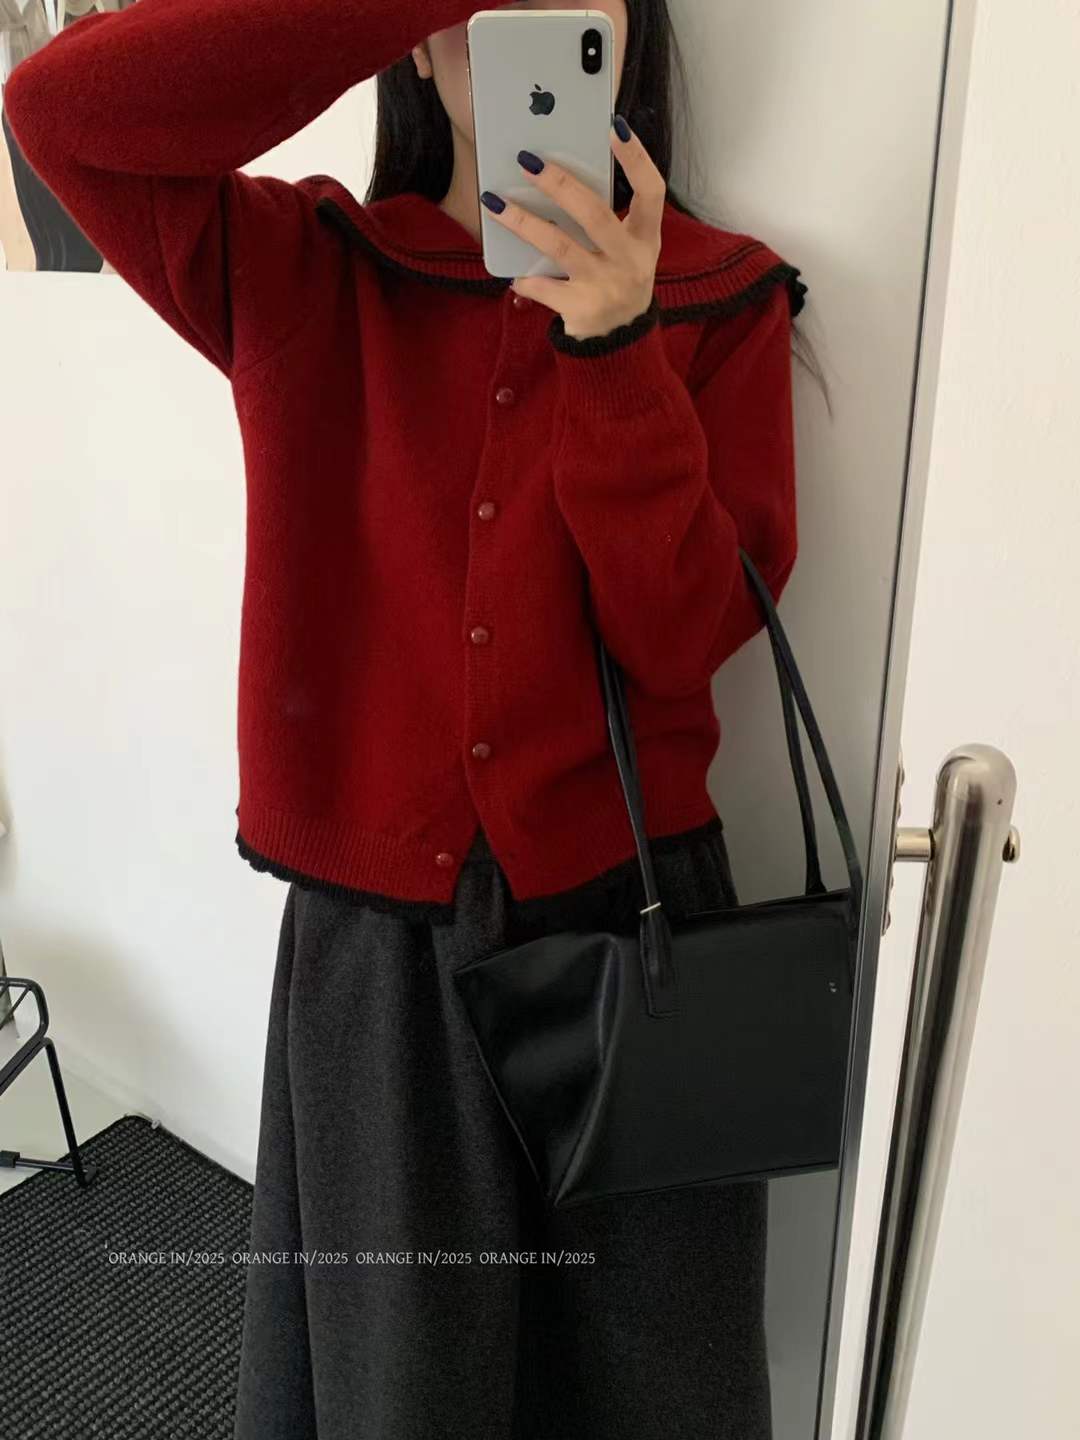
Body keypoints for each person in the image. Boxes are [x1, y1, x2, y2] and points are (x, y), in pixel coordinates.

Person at [4, 2, 809, 1435]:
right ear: (423, 43)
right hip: (379, 962)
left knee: (650, 1386)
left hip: (635, 931)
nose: (535, 20)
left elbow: (685, 636)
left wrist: (617, 346)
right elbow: (62, 113)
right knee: (404, 1390)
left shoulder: (721, 295)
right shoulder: (312, 269)